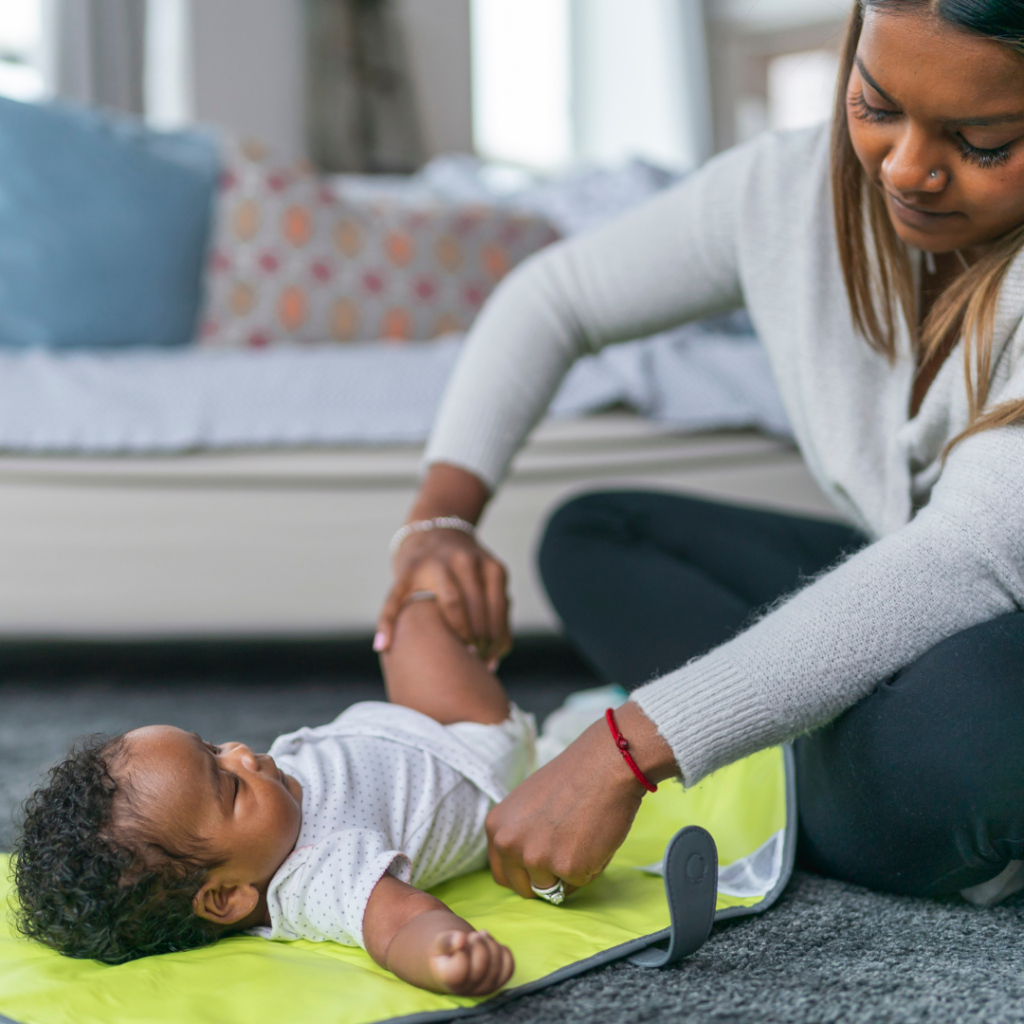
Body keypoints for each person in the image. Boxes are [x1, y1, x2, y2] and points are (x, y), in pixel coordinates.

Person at [375, 0, 1024, 909]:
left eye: (983, 142)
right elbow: (552, 300)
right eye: (876, 105)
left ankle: (827, 770)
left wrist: (626, 748)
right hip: (927, 602)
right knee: (598, 534)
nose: (907, 167)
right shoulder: (786, 190)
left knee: (999, 706)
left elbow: (971, 557)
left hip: (998, 630)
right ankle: (817, 756)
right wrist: (437, 522)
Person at [13, 595, 531, 995]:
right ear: (226, 897)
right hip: (478, 750)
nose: (240, 752)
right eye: (231, 785)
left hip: (411, 724)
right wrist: (445, 953)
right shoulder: (316, 874)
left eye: (212, 747)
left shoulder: (264, 824)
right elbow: (399, 924)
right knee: (419, 610)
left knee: (400, 612)